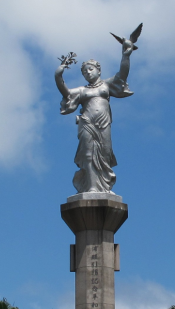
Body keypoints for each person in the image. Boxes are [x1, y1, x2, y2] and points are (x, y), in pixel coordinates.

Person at [55, 41, 135, 194]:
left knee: (105, 153)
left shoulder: (106, 85)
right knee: (88, 154)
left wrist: (126, 55)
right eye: (84, 72)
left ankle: (104, 187)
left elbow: (122, 74)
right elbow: (65, 92)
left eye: (90, 69)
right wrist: (58, 75)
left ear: (99, 70)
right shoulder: (81, 90)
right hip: (87, 123)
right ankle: (92, 186)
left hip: (104, 123)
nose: (88, 73)